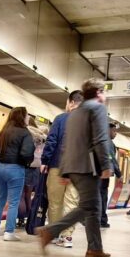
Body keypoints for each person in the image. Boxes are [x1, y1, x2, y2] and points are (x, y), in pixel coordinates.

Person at [37, 78, 114, 257]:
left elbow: (67, 144)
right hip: (88, 166)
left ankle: (95, 248)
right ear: (98, 93)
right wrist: (106, 165)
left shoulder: (75, 113)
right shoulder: (98, 109)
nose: (105, 95)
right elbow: (101, 139)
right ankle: (49, 231)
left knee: (92, 207)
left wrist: (65, 170)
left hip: (73, 166)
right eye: (103, 91)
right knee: (89, 206)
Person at [40, 90, 83, 248]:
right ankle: (67, 237)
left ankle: (53, 233)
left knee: (55, 202)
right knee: (71, 203)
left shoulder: (61, 119)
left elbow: (52, 141)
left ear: (71, 102)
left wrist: (45, 160)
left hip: (58, 166)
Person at [0, 107, 36, 241]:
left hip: (0, 168)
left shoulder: (3, 131)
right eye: (27, 115)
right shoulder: (25, 132)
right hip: (15, 168)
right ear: (22, 117)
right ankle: (9, 232)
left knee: (0, 200)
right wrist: (27, 162)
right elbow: (26, 153)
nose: (28, 118)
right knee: (14, 202)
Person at [99, 123, 122, 228]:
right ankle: (101, 219)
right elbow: (111, 157)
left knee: (98, 196)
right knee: (102, 196)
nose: (115, 134)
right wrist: (118, 173)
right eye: (114, 131)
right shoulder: (108, 142)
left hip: (98, 173)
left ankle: (99, 219)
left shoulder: (100, 140)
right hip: (103, 174)